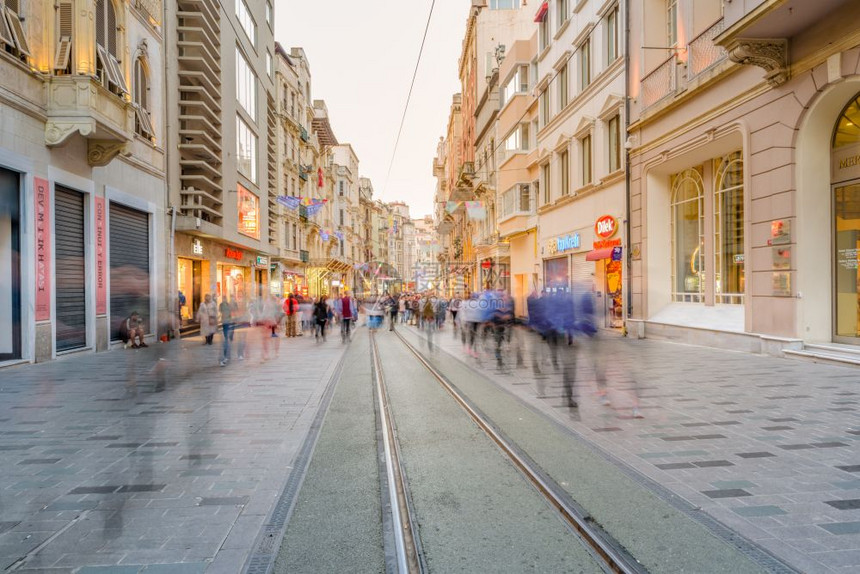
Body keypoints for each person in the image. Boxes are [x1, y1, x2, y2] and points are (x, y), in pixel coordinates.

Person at [219, 296, 235, 366]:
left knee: (226, 337)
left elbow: (230, 312)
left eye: (225, 298)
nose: (224, 299)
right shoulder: (221, 305)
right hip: (224, 321)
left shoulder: (228, 305)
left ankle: (226, 357)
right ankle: (225, 357)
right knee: (226, 336)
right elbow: (220, 311)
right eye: (223, 298)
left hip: (227, 321)